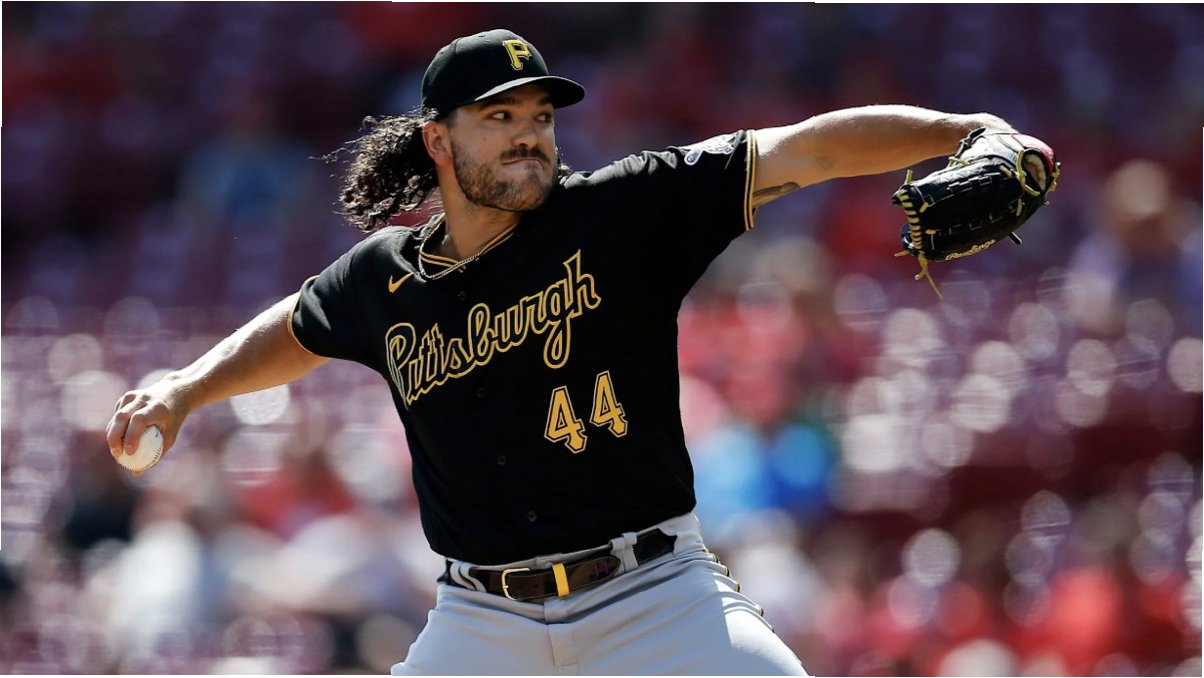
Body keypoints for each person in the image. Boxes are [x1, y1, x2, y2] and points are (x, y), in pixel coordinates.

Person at [106, 29, 1017, 675]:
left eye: (541, 115)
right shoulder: (383, 277)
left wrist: (965, 130)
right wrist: (184, 390)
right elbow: (297, 326)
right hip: (481, 620)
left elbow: (802, 152)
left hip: (655, 597)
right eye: (499, 116)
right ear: (438, 139)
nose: (529, 133)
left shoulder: (620, 212)